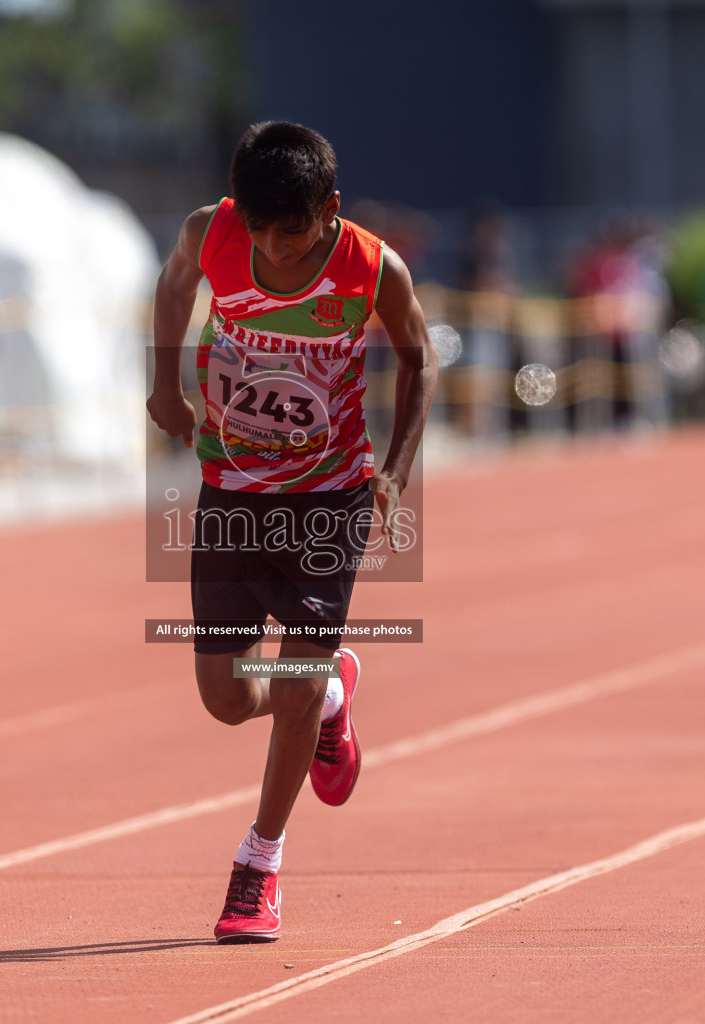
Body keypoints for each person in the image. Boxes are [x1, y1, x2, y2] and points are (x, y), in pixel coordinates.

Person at [146, 122, 437, 943]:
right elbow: (172, 287)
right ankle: (334, 691)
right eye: (261, 230)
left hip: (329, 494)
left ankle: (258, 863)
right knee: (227, 698)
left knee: (295, 682)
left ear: (330, 210)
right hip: (231, 488)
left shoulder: (371, 268)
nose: (274, 249)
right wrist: (164, 384)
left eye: (293, 230)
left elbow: (419, 358)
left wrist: (393, 473)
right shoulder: (212, 233)